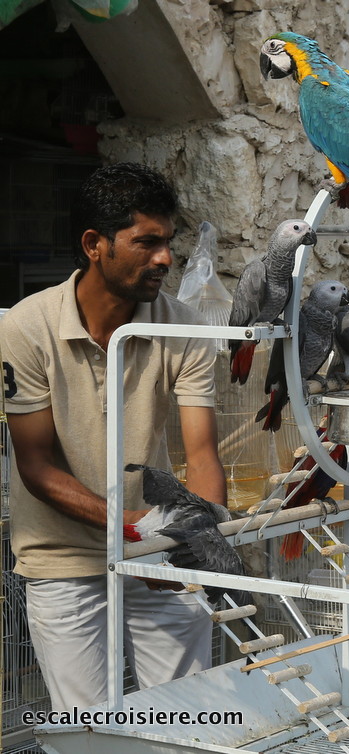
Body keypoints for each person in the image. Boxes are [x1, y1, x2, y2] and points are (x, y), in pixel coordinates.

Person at [0, 162, 227, 710]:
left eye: (168, 242)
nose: (166, 258)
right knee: (90, 730)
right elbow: (35, 466)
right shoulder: (25, 328)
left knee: (186, 721)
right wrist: (136, 535)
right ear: (93, 244)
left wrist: (197, 544)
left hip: (159, 548)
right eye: (146, 242)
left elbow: (202, 454)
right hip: (65, 557)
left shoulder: (185, 327)